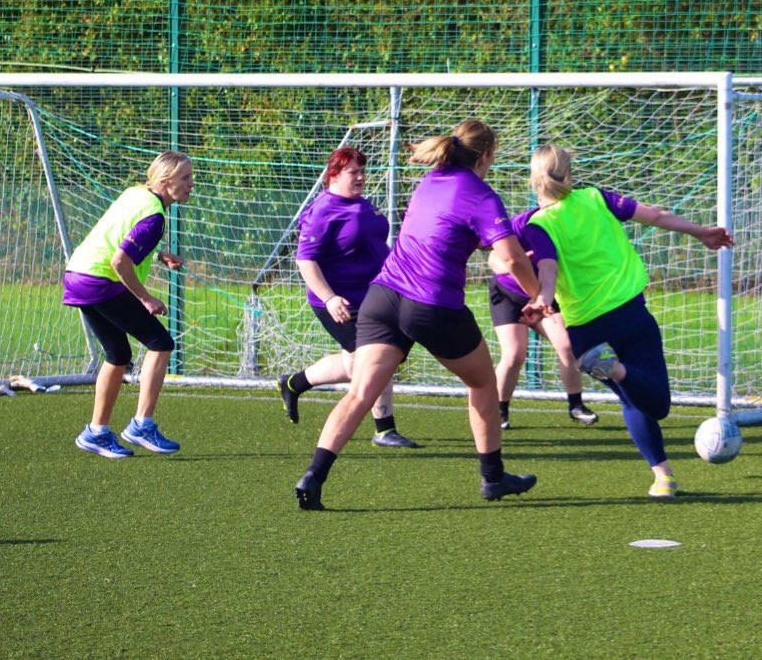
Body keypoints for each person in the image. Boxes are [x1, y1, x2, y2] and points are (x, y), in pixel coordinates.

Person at [293, 119, 547, 510]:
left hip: (382, 296)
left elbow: (452, 233)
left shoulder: (430, 181)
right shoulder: (481, 194)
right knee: (483, 382)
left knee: (360, 392)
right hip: (431, 304)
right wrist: (538, 294)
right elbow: (511, 258)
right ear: (486, 155)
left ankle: (313, 476)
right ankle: (493, 478)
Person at [523, 144, 733, 498]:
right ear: (569, 175)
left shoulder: (535, 224)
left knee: (632, 400)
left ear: (533, 181)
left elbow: (547, 268)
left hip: (584, 334)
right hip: (629, 316)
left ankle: (663, 477)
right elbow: (656, 216)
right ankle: (617, 370)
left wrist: (543, 297)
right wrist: (700, 231)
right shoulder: (595, 197)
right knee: (657, 404)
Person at [277, 146, 418, 448]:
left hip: (375, 297)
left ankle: (294, 382)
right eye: (354, 172)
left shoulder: (363, 204)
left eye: (363, 171)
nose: (361, 177)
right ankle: (384, 428)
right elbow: (305, 261)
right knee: (376, 357)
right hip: (340, 302)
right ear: (334, 175)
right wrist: (330, 298)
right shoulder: (322, 211)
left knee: (360, 362)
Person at [63, 151, 194, 458]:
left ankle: (96, 432)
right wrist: (145, 298)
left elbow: (120, 237)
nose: (191, 184)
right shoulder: (155, 217)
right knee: (161, 343)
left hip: (77, 275)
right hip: (100, 280)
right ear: (165, 182)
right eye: (185, 178)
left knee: (118, 354)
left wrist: (158, 255)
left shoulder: (135, 193)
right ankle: (141, 425)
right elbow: (119, 261)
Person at [487, 207, 598, 430]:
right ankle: (499, 411)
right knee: (514, 354)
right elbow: (493, 259)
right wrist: (512, 266)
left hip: (543, 297)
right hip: (509, 295)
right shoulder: (525, 223)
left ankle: (576, 406)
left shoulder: (577, 227)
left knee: (567, 346)